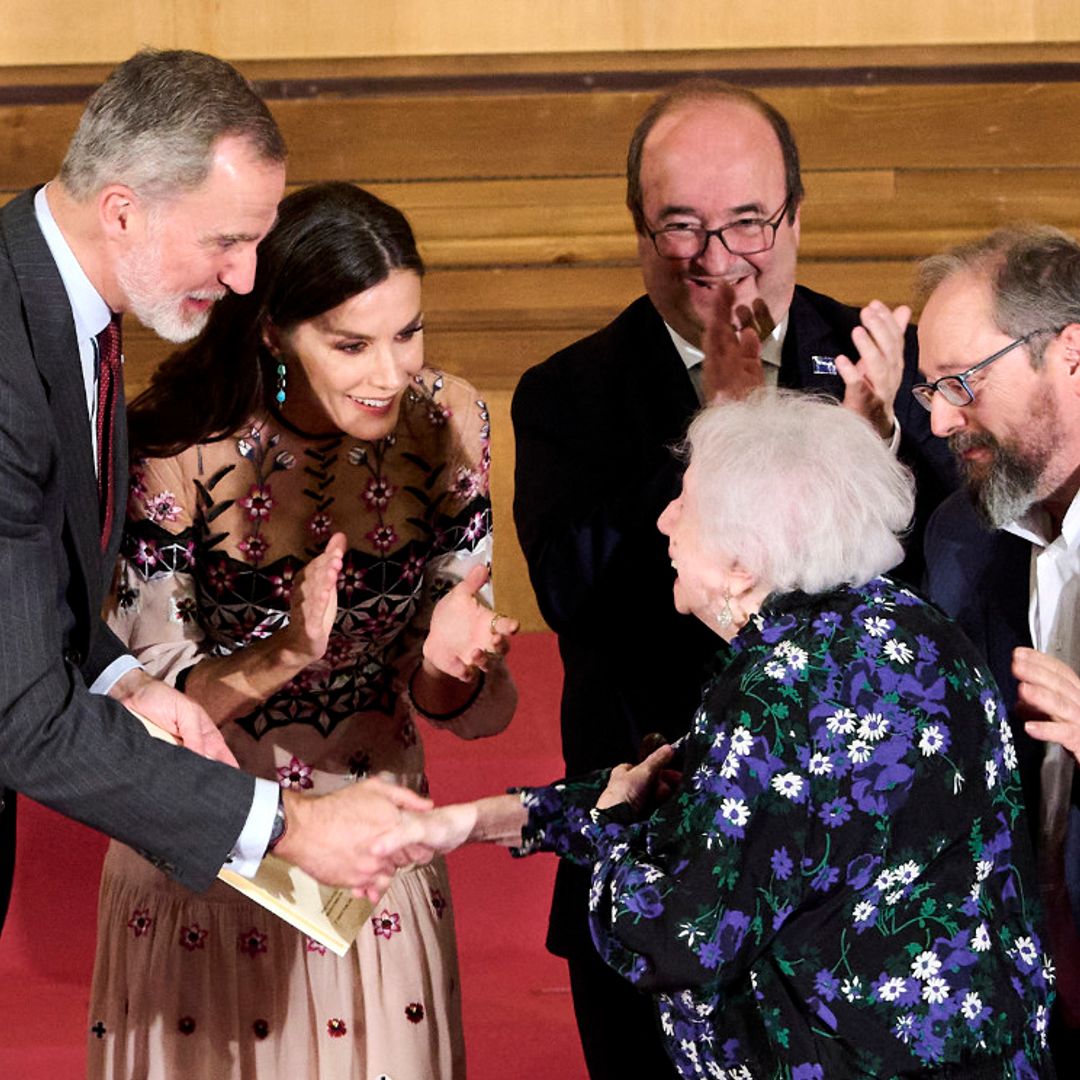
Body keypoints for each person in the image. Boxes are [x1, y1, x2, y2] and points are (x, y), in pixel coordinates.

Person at [384, 391, 1052, 1078]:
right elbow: (705, 804)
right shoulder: (907, 625)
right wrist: (487, 821)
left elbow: (676, 938)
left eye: (686, 501)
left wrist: (612, 832)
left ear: (743, 563)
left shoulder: (777, 691)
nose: (665, 519)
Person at [510, 78, 958, 1076]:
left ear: (796, 215)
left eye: (749, 221)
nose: (716, 258)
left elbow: (949, 598)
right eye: (681, 225)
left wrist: (879, 452)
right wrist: (715, 431)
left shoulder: (891, 365)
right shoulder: (567, 394)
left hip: (863, 890)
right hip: (661, 878)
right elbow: (576, 597)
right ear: (638, 229)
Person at [87, 181, 517, 1079]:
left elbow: (453, 699)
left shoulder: (448, 422)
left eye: (408, 333)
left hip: (374, 865)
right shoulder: (176, 446)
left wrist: (453, 664)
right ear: (274, 333)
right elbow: (149, 711)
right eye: (352, 344)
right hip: (214, 858)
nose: (391, 372)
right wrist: (284, 653)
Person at [0, 50, 429, 939]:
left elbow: (36, 591)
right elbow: (22, 716)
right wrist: (288, 825)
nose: (244, 278)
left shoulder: (68, 311)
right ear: (122, 210)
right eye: (225, 241)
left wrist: (122, 678)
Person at [917, 224, 1080, 1068]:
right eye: (929, 389)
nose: (942, 418)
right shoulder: (960, 536)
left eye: (963, 382)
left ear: (1071, 354)